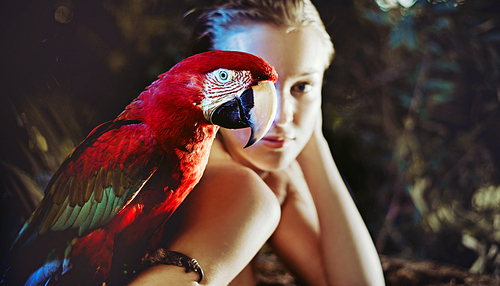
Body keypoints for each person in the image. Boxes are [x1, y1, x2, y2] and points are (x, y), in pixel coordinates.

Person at [128, 0, 385, 285]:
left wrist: (314, 141)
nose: (282, 115)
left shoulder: (274, 180)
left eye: (302, 86)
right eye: (250, 86)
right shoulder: (240, 188)